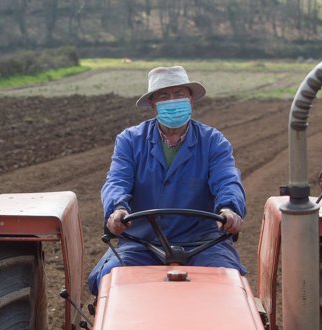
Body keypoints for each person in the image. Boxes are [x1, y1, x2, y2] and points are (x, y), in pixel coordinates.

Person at [88, 65, 247, 295]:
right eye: (164, 96)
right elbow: (117, 180)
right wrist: (117, 209)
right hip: (143, 241)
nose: (173, 101)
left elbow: (227, 179)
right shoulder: (130, 141)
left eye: (179, 95)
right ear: (153, 104)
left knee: (228, 281)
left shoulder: (213, 141)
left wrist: (230, 208)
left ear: (191, 99)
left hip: (202, 242)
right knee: (112, 278)